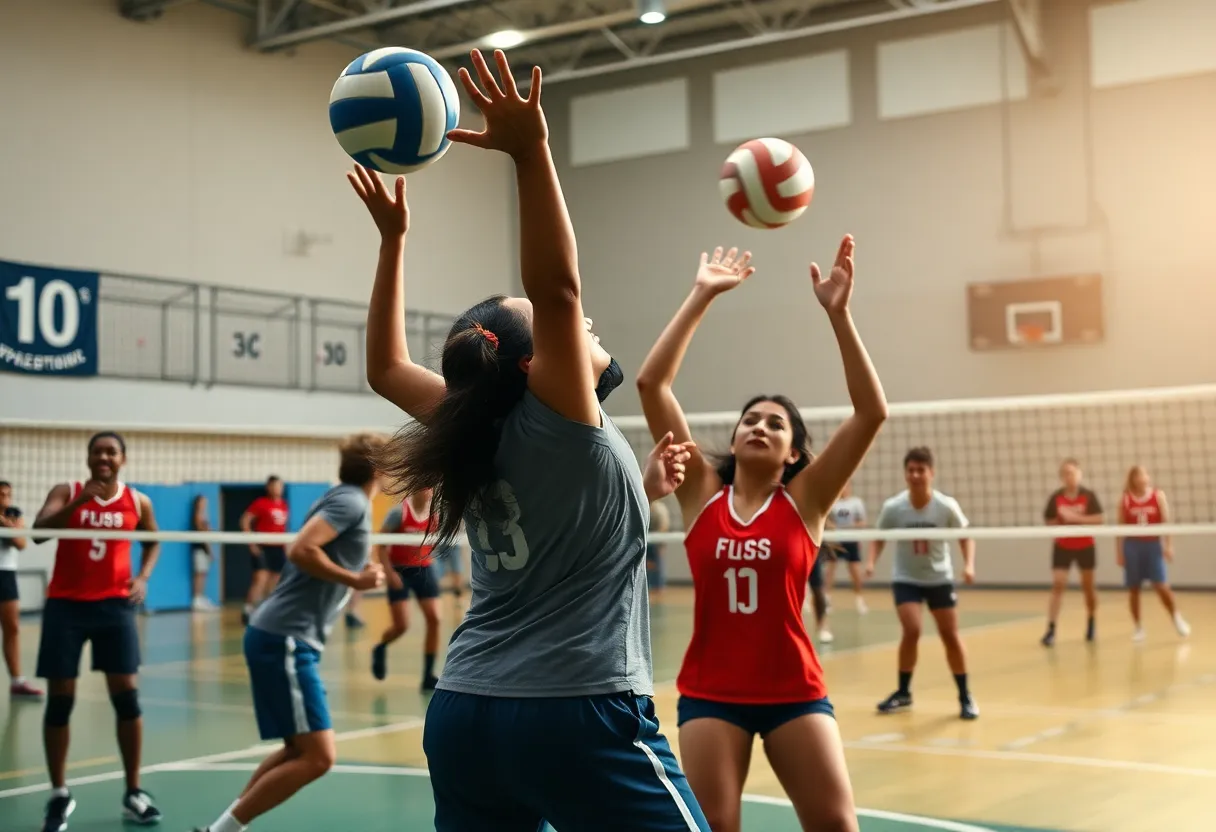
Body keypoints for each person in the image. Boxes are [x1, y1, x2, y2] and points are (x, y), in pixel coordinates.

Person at [352, 48, 708, 832]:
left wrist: (392, 242)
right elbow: (559, 286)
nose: (585, 323)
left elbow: (384, 368)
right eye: (571, 328)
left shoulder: (477, 422)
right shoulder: (561, 414)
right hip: (575, 713)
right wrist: (531, 151)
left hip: (466, 712)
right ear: (535, 364)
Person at [637, 237, 886, 832]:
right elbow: (652, 385)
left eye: (775, 423)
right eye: (751, 418)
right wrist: (701, 295)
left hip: (794, 689)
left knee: (837, 826)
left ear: (794, 451)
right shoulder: (701, 494)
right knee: (713, 827)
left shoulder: (806, 500)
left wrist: (840, 315)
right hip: (711, 692)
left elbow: (872, 412)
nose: (759, 425)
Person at [191, 434, 388, 832]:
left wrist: (359, 575)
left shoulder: (348, 501)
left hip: (285, 636)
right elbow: (301, 549)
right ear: (378, 468)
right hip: (285, 637)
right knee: (318, 757)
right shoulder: (350, 501)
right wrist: (356, 580)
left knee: (297, 749)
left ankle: (221, 829)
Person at [31, 432, 163, 830]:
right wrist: (80, 502)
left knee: (127, 700)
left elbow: (154, 540)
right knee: (60, 702)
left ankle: (134, 792)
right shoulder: (67, 490)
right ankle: (59, 794)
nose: (104, 456)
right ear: (88, 457)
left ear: (123, 458)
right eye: (97, 451)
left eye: (111, 451)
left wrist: (143, 576)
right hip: (66, 607)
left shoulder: (137, 500)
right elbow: (38, 531)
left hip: (114, 607)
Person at [868, 447, 978, 720]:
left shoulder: (945, 506)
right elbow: (878, 536)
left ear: (931, 473)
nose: (915, 475)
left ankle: (965, 696)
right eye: (911, 470)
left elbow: (965, 536)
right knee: (912, 630)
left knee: (950, 636)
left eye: (921, 470)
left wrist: (969, 564)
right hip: (906, 578)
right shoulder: (894, 507)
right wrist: (871, 561)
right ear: (905, 474)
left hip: (938, 578)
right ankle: (904, 692)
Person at [371, 489, 442, 689]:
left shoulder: (434, 514)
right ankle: (380, 647)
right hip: (400, 571)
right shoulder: (398, 513)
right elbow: (380, 545)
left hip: (424, 569)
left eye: (431, 488)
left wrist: (428, 555)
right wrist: (389, 573)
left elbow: (436, 540)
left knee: (435, 619)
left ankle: (428, 675)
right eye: (424, 487)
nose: (428, 492)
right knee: (402, 626)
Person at [1117, 466, 1190, 642]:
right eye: (1138, 475)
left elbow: (1166, 522)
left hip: (1153, 545)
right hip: (1132, 546)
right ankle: (1138, 627)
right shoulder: (1126, 499)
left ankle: (1177, 618)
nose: (1142, 477)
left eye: (1144, 474)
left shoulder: (1158, 496)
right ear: (1133, 479)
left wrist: (1168, 545)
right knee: (1134, 588)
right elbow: (1119, 529)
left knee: (1161, 586)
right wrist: (1119, 553)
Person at [1041, 459, 1103, 646]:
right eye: (1066, 473)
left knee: (1088, 587)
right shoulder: (1056, 498)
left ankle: (1091, 622)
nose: (1070, 476)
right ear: (1062, 477)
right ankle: (1051, 629)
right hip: (1063, 546)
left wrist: (1075, 518)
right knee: (1058, 584)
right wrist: (1060, 520)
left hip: (1085, 546)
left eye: (1073, 473)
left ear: (1079, 474)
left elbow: (1099, 519)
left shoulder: (1088, 496)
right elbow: (1049, 521)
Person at [1, 480, 42, 698]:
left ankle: (17, 682)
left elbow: (20, 543)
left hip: (6, 574)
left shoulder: (14, 514)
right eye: (0, 494)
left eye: (7, 494)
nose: (4, 499)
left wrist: (4, 523)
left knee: (12, 627)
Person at [240, 476, 289, 624]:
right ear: (268, 487)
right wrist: (252, 543)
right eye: (274, 486)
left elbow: (282, 528)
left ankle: (267, 610)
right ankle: (247, 610)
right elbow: (244, 520)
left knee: (274, 581)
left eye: (279, 486)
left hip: (278, 547)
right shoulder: (261, 503)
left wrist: (286, 546)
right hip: (263, 547)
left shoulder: (284, 505)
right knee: (260, 579)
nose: (277, 489)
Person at [826, 480, 868, 614]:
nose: (843, 489)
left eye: (846, 486)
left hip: (851, 540)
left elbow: (862, 522)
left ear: (849, 487)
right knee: (830, 570)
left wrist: (850, 527)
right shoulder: (832, 503)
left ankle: (859, 599)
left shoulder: (856, 503)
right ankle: (827, 599)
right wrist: (833, 527)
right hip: (835, 541)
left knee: (855, 570)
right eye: (841, 486)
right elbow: (827, 521)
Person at [190, 495, 218, 612]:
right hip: (200, 549)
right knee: (199, 573)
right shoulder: (198, 516)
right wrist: (210, 551)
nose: (204, 504)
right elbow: (203, 535)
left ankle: (201, 597)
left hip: (204, 550)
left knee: (203, 573)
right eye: (202, 502)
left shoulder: (204, 516)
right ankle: (197, 599)